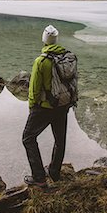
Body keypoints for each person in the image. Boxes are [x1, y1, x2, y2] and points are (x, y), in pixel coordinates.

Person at [22, 24, 76, 188]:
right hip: (63, 105)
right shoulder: (68, 58)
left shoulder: (41, 61)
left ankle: (39, 177)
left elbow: (34, 89)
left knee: (28, 138)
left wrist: (32, 107)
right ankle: (54, 172)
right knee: (60, 140)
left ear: (44, 40)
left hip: (45, 107)